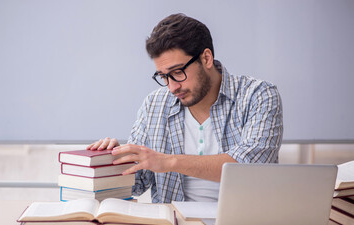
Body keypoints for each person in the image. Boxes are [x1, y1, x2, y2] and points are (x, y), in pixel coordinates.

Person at [87, 13, 283, 203]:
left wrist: (169, 162)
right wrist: (108, 162)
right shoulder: (154, 105)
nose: (172, 87)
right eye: (164, 77)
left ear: (206, 58)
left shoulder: (258, 95)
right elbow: (136, 183)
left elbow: (253, 169)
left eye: (178, 72)